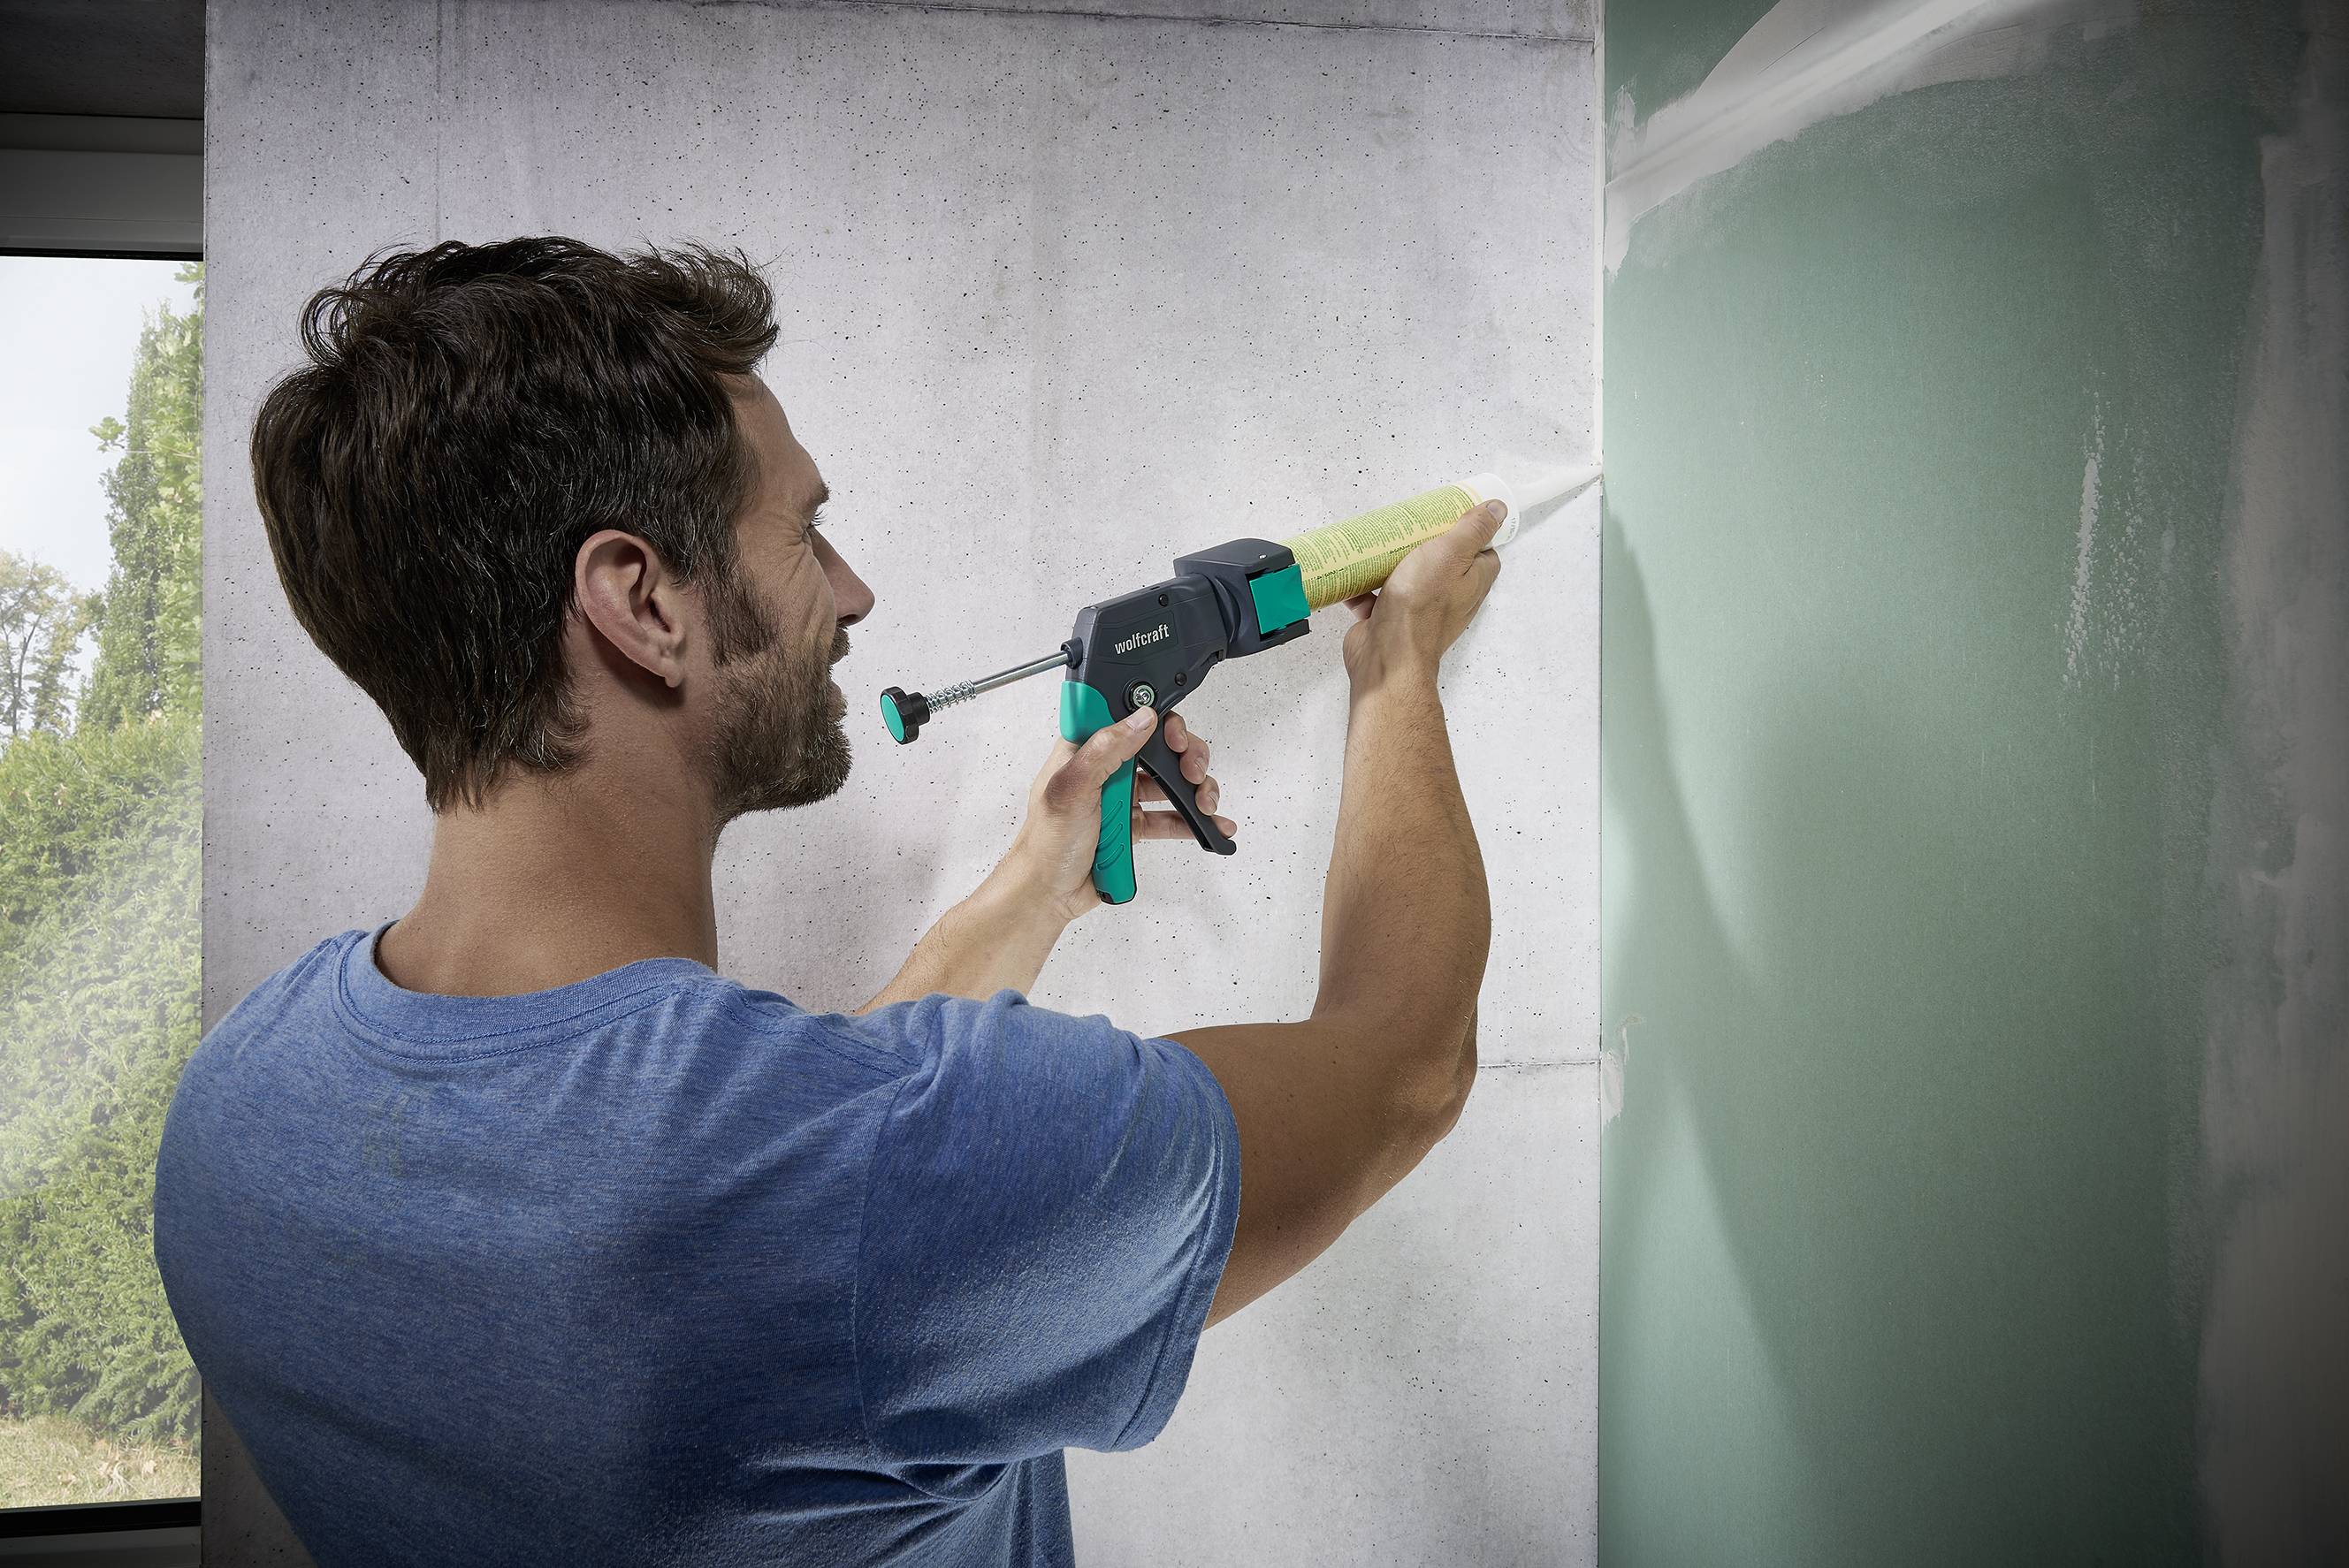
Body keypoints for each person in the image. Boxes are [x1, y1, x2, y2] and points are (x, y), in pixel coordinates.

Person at [153, 237, 1500, 1567]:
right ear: (640, 601)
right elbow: (1404, 1067)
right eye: (803, 531)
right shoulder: (857, 1177)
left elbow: (780, 1164)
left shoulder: (237, 1107)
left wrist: (1033, 890)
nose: (850, 594)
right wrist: (1397, 671)